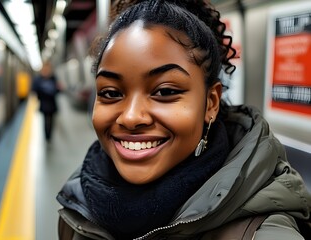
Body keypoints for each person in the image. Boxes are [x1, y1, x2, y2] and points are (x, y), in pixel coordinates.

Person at [56, 0, 311, 239]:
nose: (131, 117)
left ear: (210, 103)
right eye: (111, 93)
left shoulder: (263, 230)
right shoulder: (76, 212)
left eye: (165, 91)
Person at [32, 61, 60, 142]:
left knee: (51, 120)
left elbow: (57, 89)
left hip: (51, 103)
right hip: (44, 103)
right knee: (45, 120)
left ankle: (49, 136)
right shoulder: (38, 79)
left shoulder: (53, 78)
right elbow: (34, 89)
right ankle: (46, 136)